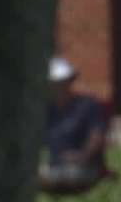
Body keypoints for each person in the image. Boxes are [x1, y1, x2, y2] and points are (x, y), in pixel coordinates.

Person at [38, 56, 107, 193]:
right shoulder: (46, 111)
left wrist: (82, 156)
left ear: (70, 82)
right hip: (53, 167)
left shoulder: (88, 106)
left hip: (85, 168)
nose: (58, 87)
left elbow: (97, 137)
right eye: (54, 83)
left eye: (62, 82)